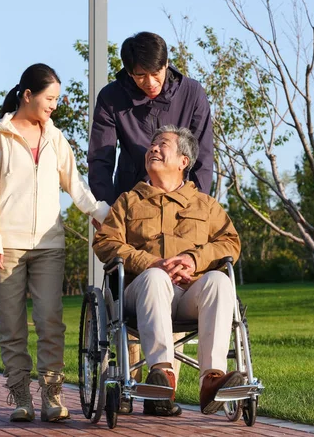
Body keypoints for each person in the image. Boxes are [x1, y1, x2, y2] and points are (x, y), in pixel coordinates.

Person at [0, 63, 109, 423]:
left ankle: (52, 395)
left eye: (58, 99)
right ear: (28, 95)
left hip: (50, 244)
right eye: (50, 98)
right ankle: (20, 396)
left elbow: (75, 184)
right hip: (7, 244)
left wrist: (100, 212)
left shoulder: (55, 137)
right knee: (11, 325)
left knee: (50, 321)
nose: (54, 104)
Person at [93, 125, 243, 417]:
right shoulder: (128, 202)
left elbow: (230, 243)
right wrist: (148, 262)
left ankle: (212, 380)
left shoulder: (205, 205)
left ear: (183, 161)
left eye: (162, 145)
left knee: (219, 281)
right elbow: (106, 241)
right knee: (155, 277)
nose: (153, 149)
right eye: (152, 145)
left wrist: (193, 258)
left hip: (191, 293)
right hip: (142, 292)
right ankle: (162, 376)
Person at [88, 31, 214, 206]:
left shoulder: (192, 93)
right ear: (129, 72)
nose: (150, 82)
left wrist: (198, 205)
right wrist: (104, 208)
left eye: (156, 73)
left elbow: (203, 155)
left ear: (166, 64)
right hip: (131, 200)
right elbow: (100, 158)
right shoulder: (111, 97)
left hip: (181, 200)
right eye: (140, 76)